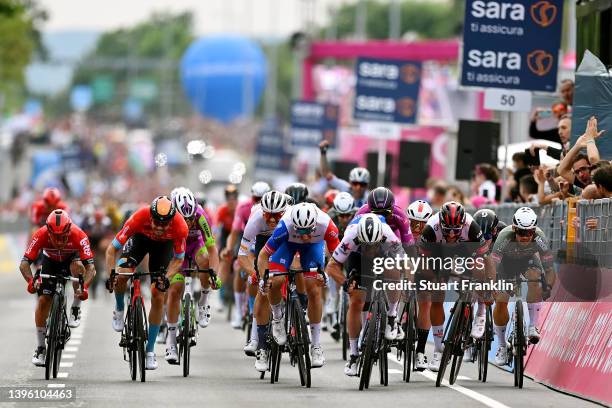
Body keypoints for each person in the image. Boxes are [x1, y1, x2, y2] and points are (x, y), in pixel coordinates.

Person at [105, 196, 188, 370]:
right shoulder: (138, 217)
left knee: (158, 294)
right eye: (156, 222)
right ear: (150, 216)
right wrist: (111, 273)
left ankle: (150, 351)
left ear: (172, 221)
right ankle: (119, 309)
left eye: (164, 224)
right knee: (122, 275)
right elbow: (112, 249)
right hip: (139, 240)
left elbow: (178, 260)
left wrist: (167, 276)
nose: (159, 227)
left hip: (163, 248)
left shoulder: (181, 227)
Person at [256, 203, 340, 371]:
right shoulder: (284, 226)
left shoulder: (327, 225)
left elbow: (338, 257)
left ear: (316, 225)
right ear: (294, 226)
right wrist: (264, 277)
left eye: (309, 230)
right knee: (275, 281)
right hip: (288, 245)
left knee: (314, 288)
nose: (305, 235)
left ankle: (316, 346)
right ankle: (278, 318)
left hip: (313, 249)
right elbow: (263, 255)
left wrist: (325, 275)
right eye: (300, 230)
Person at [326, 214, 406, 376]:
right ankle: (354, 355)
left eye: (373, 245)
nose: (370, 250)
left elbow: (406, 264)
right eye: (367, 245)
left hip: (384, 256)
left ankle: (391, 316)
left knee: (394, 273)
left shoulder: (388, 236)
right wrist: (345, 283)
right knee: (356, 300)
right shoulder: (351, 237)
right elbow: (332, 266)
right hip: (357, 258)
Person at [418, 201, 489, 371]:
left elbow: (483, 260)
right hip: (439, 254)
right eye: (447, 230)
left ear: (462, 224)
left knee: (478, 271)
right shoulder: (431, 229)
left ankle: (480, 312)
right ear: (440, 224)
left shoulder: (472, 227)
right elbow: (423, 262)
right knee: (436, 295)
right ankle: (438, 349)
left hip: (465, 250)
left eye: (455, 231)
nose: (450, 235)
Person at [21, 209, 96, 366]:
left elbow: (91, 269)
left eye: (62, 237)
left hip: (71, 259)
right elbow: (24, 264)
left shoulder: (79, 235)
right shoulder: (40, 234)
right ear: (48, 231)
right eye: (54, 237)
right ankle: (41, 348)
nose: (59, 241)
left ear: (69, 230)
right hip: (51, 262)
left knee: (78, 267)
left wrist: (85, 287)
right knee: (43, 301)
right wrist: (30, 281)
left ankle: (75, 308)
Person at [490, 207, 556, 366]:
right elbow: (492, 265)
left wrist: (548, 287)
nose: (525, 236)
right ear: (514, 228)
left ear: (534, 230)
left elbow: (549, 269)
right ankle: (501, 346)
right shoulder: (504, 237)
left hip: (528, 261)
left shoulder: (539, 237)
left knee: (536, 278)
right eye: (521, 232)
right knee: (501, 299)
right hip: (506, 264)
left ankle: (533, 326)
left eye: (529, 232)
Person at [162, 188, 220, 364]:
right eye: (183, 218)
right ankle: (171, 343)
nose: (188, 222)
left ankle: (203, 301)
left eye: (190, 218)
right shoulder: (167, 217)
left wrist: (214, 274)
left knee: (204, 261)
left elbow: (212, 248)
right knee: (174, 291)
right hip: (176, 250)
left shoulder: (201, 215)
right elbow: (163, 250)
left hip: (195, 246)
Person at [239, 190, 291, 357]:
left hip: (286, 241)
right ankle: (255, 338)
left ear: (284, 212)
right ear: (262, 212)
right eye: (268, 215)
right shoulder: (255, 219)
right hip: (264, 242)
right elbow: (242, 255)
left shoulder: (291, 216)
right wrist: (254, 273)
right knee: (263, 287)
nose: (273, 220)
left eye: (277, 215)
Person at [222, 181, 270, 328]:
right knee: (239, 268)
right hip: (248, 238)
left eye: (262, 199)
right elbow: (235, 232)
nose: (259, 202)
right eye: (256, 199)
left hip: (266, 241)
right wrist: (229, 248)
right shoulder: (243, 208)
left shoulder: (273, 206)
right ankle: (238, 310)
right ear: (252, 197)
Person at [406, 200, 434, 370]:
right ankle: (394, 320)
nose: (416, 229)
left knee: (426, 301)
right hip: (405, 267)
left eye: (421, 225)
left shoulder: (434, 235)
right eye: (414, 224)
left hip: (424, 270)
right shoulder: (399, 229)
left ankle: (420, 352)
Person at [319, 140, 370, 207]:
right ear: (350, 183)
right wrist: (323, 153)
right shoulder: (345, 187)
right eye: (355, 183)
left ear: (367, 186)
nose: (358, 187)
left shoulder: (369, 199)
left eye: (362, 184)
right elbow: (326, 174)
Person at [558, 116, 604, 190]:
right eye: (577, 172)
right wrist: (578, 146)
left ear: (591, 167)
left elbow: (593, 159)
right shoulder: (583, 183)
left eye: (583, 169)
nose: (581, 175)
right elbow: (561, 170)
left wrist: (590, 138)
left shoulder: (603, 177)